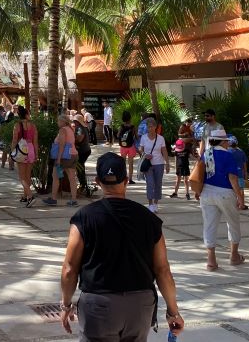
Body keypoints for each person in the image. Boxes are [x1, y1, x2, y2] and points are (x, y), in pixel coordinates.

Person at [59, 152, 184, 342]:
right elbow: (163, 270)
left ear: (97, 181)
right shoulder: (149, 220)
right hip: (140, 306)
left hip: (99, 306)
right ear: (126, 180)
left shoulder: (84, 218)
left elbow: (69, 269)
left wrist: (66, 305)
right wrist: (173, 312)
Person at [198, 128, 244, 271]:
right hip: (224, 193)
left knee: (209, 225)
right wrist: (240, 197)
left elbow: (199, 174)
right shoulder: (228, 156)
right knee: (233, 222)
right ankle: (234, 256)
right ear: (222, 142)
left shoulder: (206, 154)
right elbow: (233, 178)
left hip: (206, 192)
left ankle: (211, 261)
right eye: (226, 141)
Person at [44, 114, 79, 207]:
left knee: (55, 176)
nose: (57, 123)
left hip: (64, 156)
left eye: (59, 121)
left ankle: (54, 198)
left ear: (63, 121)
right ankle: (74, 199)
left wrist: (58, 159)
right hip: (73, 154)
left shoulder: (63, 130)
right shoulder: (71, 129)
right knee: (72, 178)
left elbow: (62, 144)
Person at [138, 118, 168, 213]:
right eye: (148, 126)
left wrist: (167, 163)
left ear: (155, 127)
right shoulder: (144, 137)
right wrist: (144, 154)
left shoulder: (160, 138)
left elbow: (164, 151)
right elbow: (140, 149)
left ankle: (156, 203)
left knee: (158, 183)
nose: (150, 128)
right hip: (148, 164)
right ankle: (150, 204)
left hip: (159, 163)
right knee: (150, 183)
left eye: (152, 126)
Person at [11, 105, 38, 207]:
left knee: (22, 177)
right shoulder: (33, 126)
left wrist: (12, 152)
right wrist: (36, 154)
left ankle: (30, 196)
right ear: (26, 115)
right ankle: (25, 196)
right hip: (31, 149)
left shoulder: (17, 125)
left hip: (21, 150)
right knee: (27, 175)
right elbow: (36, 141)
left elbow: (14, 140)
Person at [72, 114, 92, 194]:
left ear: (77, 121)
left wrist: (73, 140)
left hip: (83, 150)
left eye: (75, 121)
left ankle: (83, 185)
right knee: (81, 168)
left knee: (80, 168)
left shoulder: (80, 128)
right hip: (85, 150)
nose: (74, 122)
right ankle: (83, 184)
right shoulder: (83, 127)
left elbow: (79, 139)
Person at [228, 136, 249, 210]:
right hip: (240, 173)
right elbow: (244, 164)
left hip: (231, 174)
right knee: (241, 189)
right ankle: (242, 204)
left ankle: (234, 204)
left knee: (232, 189)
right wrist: (245, 173)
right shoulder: (241, 151)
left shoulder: (227, 152)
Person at [117, 111, 138, 184]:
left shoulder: (122, 126)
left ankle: (123, 178)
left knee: (123, 163)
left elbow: (118, 135)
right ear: (130, 117)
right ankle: (130, 179)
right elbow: (137, 137)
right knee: (131, 163)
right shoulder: (133, 126)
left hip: (123, 146)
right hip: (131, 146)